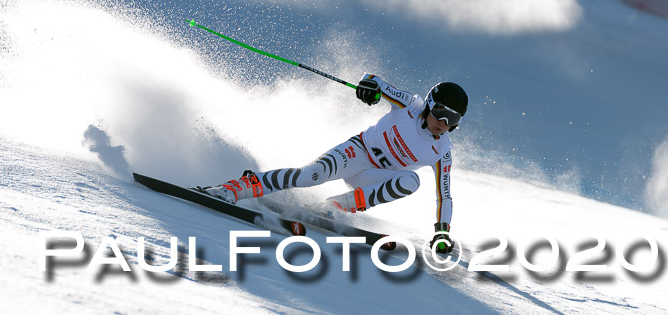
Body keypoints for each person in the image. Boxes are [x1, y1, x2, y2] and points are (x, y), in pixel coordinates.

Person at [199, 74, 468, 253]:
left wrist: (442, 233)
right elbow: (374, 81)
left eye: (453, 120)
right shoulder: (409, 105)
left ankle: (332, 207)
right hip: (358, 152)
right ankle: (235, 188)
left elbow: (444, 196)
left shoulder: (442, 152)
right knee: (311, 175)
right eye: (441, 113)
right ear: (430, 104)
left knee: (412, 181)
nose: (443, 124)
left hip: (374, 177)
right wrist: (369, 89)